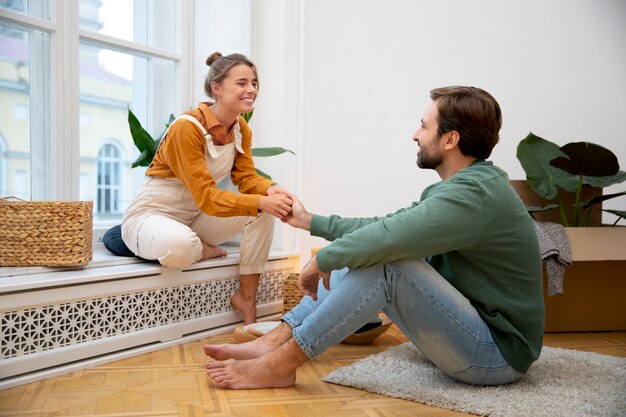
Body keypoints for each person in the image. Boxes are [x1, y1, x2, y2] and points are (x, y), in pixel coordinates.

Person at [203, 86, 544, 389]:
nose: (415, 135)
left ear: (450, 139)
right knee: (378, 252)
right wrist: (311, 221)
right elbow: (387, 225)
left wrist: (325, 257)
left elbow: (387, 238)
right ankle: (276, 341)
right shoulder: (466, 188)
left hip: (495, 357)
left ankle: (281, 363)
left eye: (424, 127)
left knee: (386, 265)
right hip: (475, 336)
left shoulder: (472, 196)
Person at [122, 52, 293, 325]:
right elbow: (207, 196)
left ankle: (247, 299)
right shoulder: (186, 128)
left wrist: (272, 190)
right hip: (151, 216)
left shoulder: (240, 130)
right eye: (242, 83)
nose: (251, 89)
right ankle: (202, 248)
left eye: (254, 83)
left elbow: (247, 178)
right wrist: (261, 200)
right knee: (180, 246)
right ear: (217, 88)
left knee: (263, 211)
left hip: (195, 218)